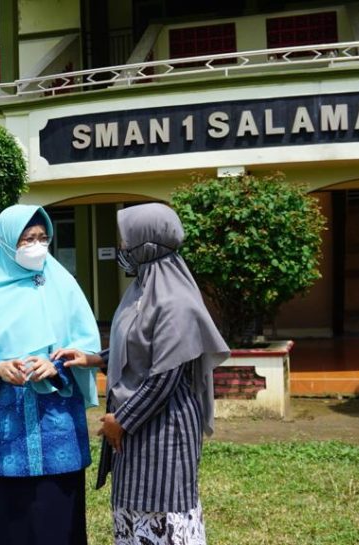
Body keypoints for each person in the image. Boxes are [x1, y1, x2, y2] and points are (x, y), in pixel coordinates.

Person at [54, 202, 229, 545]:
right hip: (137, 424)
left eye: (126, 242)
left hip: (164, 426)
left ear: (146, 246)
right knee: (134, 510)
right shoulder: (142, 290)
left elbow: (164, 375)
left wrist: (122, 421)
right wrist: (94, 359)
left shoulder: (176, 301)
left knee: (163, 508)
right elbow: (137, 346)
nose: (122, 249)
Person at [0, 204, 102, 545]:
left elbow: (87, 347)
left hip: (56, 425)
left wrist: (56, 365)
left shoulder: (62, 283)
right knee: (7, 524)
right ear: (5, 242)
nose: (36, 245)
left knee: (58, 523)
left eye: (42, 237)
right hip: (3, 434)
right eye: (27, 239)